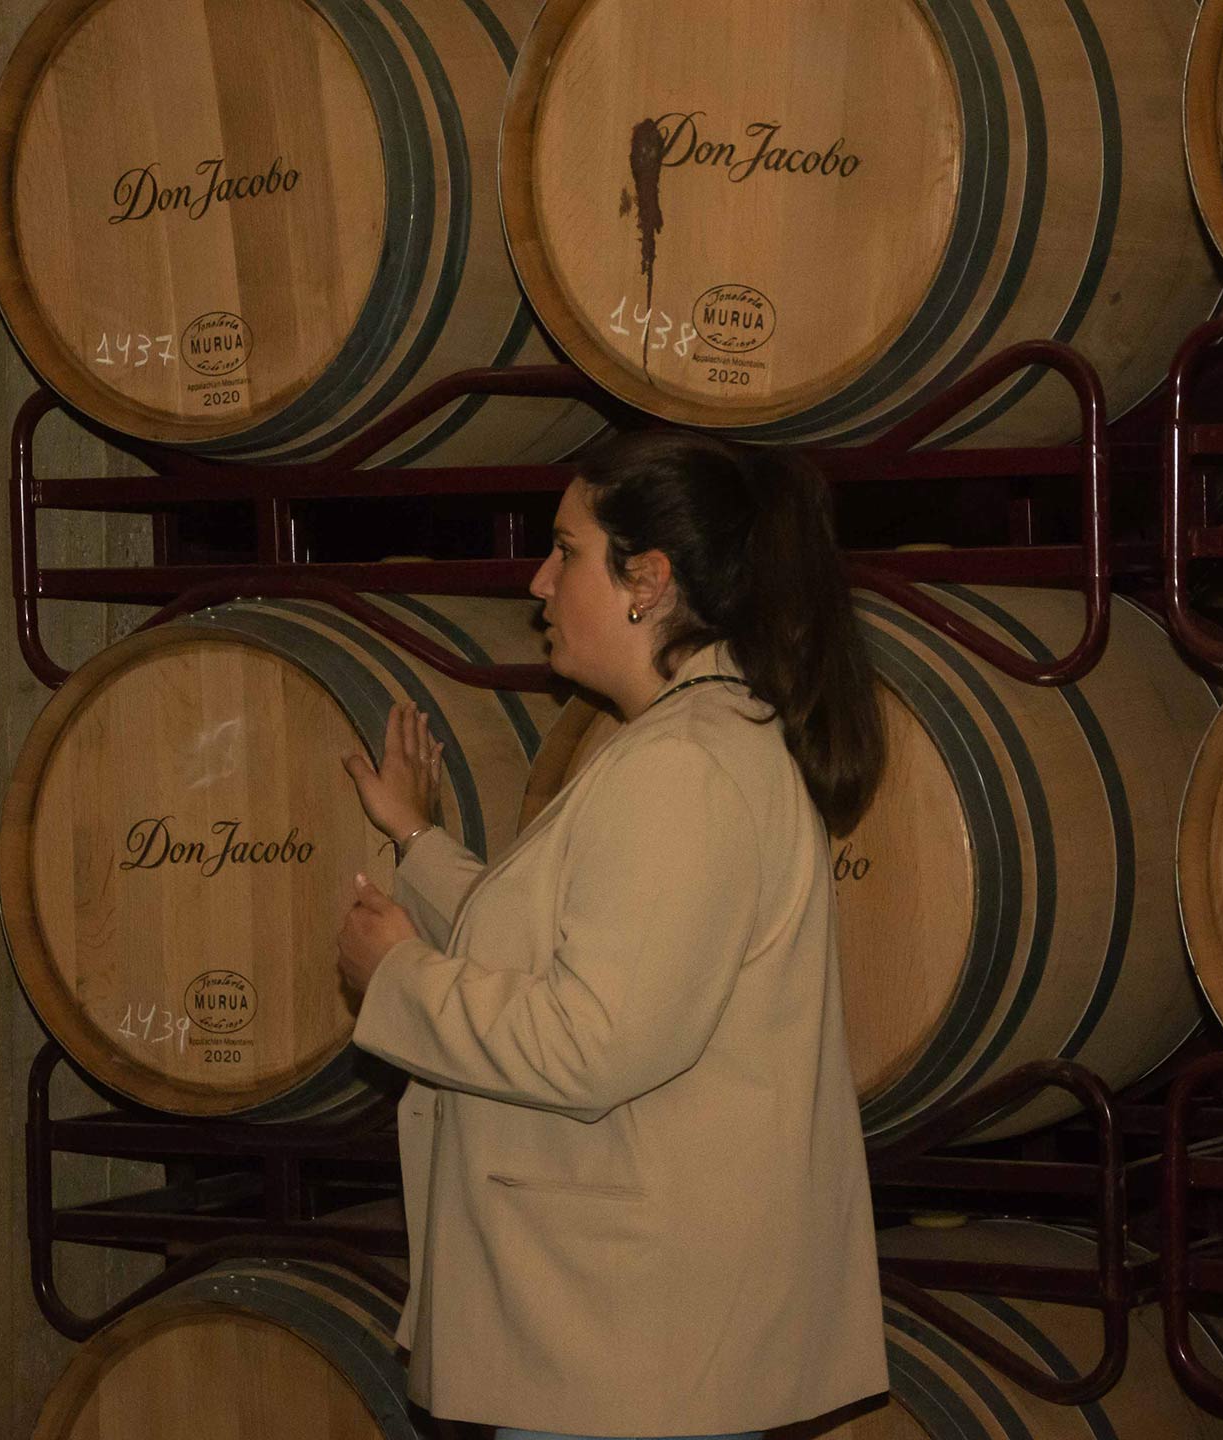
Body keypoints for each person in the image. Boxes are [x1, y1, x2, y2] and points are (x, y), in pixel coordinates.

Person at [334, 429, 890, 1440]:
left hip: (622, 1352)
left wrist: (399, 978)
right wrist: (416, 840)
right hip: (626, 1344)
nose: (539, 582)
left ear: (648, 581)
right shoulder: (690, 744)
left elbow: (594, 1041)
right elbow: (564, 944)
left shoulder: (685, 769)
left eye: (566, 551)